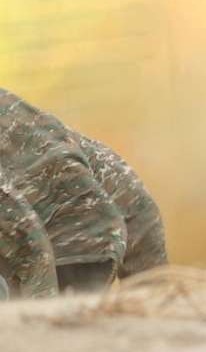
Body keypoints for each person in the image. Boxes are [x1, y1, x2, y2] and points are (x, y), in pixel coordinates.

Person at [0, 88, 167, 298]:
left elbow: (24, 236)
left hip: (63, 250)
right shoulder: (24, 118)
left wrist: (41, 307)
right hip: (101, 235)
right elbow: (138, 203)